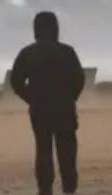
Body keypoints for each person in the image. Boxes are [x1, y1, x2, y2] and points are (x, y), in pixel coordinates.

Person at [10, 11, 86, 195]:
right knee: (67, 152)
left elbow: (16, 81)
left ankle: (45, 188)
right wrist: (70, 97)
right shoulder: (67, 52)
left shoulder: (28, 53)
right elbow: (79, 79)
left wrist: (31, 98)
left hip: (40, 109)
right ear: (56, 29)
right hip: (64, 108)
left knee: (43, 150)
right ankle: (69, 187)